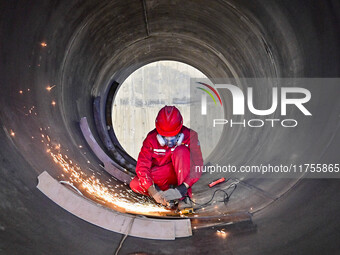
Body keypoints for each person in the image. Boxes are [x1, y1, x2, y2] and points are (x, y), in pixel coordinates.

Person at [130, 105, 203, 210]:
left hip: (183, 173)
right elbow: (142, 167)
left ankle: (184, 197)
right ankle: (166, 195)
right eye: (165, 136)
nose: (169, 140)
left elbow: (197, 165)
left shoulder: (190, 136)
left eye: (173, 135)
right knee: (135, 184)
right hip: (163, 174)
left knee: (181, 151)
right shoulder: (151, 139)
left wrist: (184, 187)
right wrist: (154, 192)